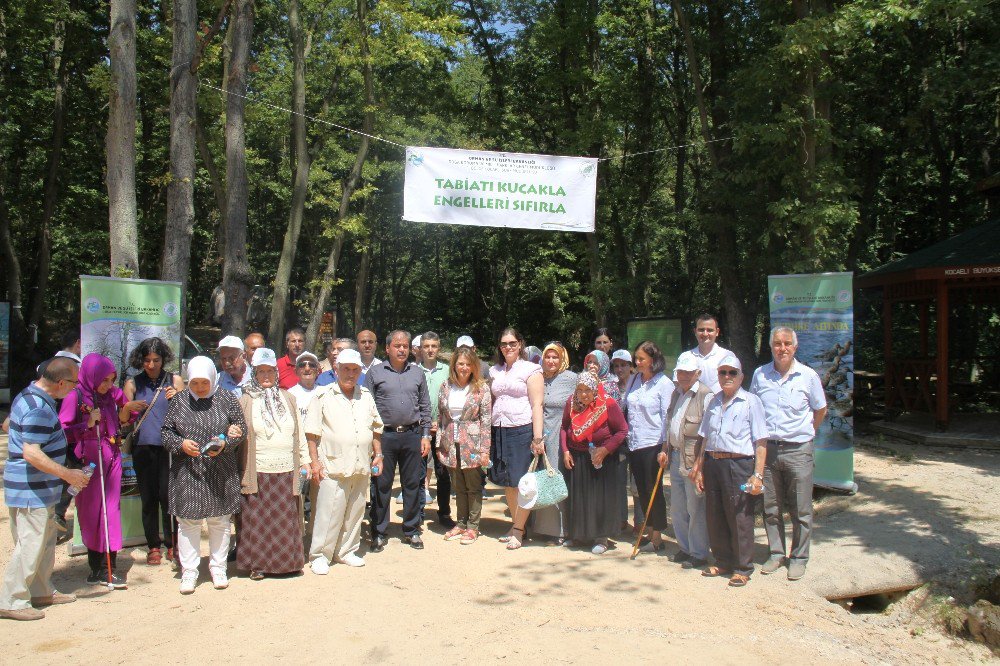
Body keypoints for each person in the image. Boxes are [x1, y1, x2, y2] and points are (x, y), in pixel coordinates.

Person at [1, 358, 90, 621]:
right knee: (30, 544)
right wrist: (68, 474)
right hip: (32, 490)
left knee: (43, 541)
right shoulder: (39, 407)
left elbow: (8, 426)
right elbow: (31, 453)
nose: (75, 389)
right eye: (74, 383)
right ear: (61, 383)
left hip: (36, 489)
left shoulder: (27, 396)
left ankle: (40, 590)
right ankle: (11, 599)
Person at [161, 356, 247, 594]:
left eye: (204, 382)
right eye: (195, 382)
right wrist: (181, 444)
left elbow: (241, 430)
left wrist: (226, 443)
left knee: (219, 521)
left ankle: (218, 567)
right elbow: (166, 433)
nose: (200, 387)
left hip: (219, 470)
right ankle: (190, 571)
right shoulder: (179, 401)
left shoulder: (227, 398)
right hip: (188, 471)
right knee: (188, 522)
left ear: (212, 378)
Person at [59, 354, 145, 588]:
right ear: (91, 376)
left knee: (111, 511)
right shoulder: (75, 397)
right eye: (104, 380)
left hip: (113, 458)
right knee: (92, 513)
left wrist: (127, 408)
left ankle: (110, 567)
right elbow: (61, 432)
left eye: (112, 379)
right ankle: (95, 567)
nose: (109, 385)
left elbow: (128, 413)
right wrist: (85, 425)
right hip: (89, 463)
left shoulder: (111, 394)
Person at [751, 327, 827, 581]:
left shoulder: (808, 376)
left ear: (795, 347)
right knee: (770, 507)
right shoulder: (760, 375)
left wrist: (805, 433)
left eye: (786, 344)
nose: (782, 348)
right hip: (768, 451)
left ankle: (799, 558)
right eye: (777, 344)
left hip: (798, 450)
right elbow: (754, 410)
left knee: (801, 509)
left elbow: (820, 410)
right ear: (771, 347)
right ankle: (776, 553)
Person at [691, 354, 767, 587]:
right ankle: (723, 560)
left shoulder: (751, 402)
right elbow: (705, 438)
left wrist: (758, 474)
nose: (726, 377)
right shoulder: (713, 401)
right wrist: (700, 468)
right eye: (723, 372)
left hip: (739, 465)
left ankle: (742, 567)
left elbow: (761, 441)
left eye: (732, 373)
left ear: (741, 376)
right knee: (715, 514)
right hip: (713, 463)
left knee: (740, 516)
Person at [307, 349, 383, 572]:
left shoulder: (366, 395)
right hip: (332, 464)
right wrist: (314, 462)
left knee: (355, 511)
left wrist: (378, 455)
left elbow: (376, 428)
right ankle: (320, 554)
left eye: (355, 370)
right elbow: (311, 433)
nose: (351, 374)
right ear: (336, 369)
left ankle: (346, 551)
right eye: (346, 369)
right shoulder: (322, 396)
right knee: (329, 511)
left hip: (360, 464)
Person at [237, 348, 310, 580]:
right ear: (254, 373)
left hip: (287, 469)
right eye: (261, 371)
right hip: (258, 470)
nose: (266, 375)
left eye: (270, 371)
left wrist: (305, 461)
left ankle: (289, 563)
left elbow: (298, 433)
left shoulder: (289, 398)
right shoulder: (246, 400)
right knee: (258, 519)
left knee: (286, 519)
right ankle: (258, 565)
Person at [365, 331, 431, 551]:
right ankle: (379, 531)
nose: (402, 349)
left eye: (405, 346)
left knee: (412, 483)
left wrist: (425, 436)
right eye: (397, 346)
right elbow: (368, 407)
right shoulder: (375, 373)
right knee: (381, 485)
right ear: (387, 348)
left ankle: (411, 530)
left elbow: (425, 407)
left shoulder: (417, 373)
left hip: (412, 435)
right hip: (385, 437)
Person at [122, 338, 184, 565]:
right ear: (141, 360)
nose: (151, 365)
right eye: (147, 360)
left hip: (169, 446)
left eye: (156, 360)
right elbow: (123, 420)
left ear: (163, 359)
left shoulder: (174, 380)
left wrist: (177, 397)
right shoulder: (132, 384)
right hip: (143, 446)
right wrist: (128, 407)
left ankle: (172, 543)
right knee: (148, 499)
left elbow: (186, 414)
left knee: (169, 497)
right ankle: (153, 545)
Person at [489, 328, 544, 550]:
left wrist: (538, 437)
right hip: (499, 429)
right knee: (508, 483)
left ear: (520, 344)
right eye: (504, 344)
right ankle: (516, 524)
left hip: (522, 429)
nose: (508, 347)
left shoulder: (531, 369)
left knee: (522, 482)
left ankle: (520, 531)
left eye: (512, 343)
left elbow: (537, 404)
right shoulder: (495, 370)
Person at [561, 372, 628, 554]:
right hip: (578, 456)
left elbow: (622, 430)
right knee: (580, 497)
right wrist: (566, 450)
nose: (583, 394)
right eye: (580, 389)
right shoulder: (572, 403)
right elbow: (564, 427)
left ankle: (601, 537)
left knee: (599, 499)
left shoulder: (607, 403)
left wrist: (605, 450)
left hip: (602, 457)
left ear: (595, 388)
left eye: (587, 390)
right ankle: (579, 536)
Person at [657, 352, 713, 569]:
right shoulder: (676, 393)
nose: (683, 376)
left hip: (692, 459)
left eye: (688, 372)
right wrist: (665, 449)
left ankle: (699, 553)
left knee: (695, 506)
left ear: (697, 373)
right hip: (676, 456)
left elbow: (707, 434)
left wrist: (700, 464)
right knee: (679, 506)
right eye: (680, 371)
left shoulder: (706, 395)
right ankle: (685, 547)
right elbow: (670, 423)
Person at [435, 347, 491, 544]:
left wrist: (484, 449)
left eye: (468, 364)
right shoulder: (446, 386)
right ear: (454, 365)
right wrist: (439, 443)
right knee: (458, 485)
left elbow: (486, 420)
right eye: (461, 363)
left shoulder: (481, 388)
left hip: (473, 444)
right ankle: (460, 523)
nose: (464, 368)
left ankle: (473, 526)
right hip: (450, 443)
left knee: (473, 486)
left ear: (474, 366)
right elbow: (441, 417)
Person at [623, 341, 674, 553]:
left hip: (653, 443)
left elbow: (667, 418)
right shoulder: (634, 379)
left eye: (642, 359)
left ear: (653, 360)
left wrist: (665, 447)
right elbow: (626, 406)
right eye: (636, 358)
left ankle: (657, 536)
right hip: (634, 442)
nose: (637, 362)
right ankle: (649, 529)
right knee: (641, 490)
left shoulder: (664, 384)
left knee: (654, 489)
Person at [531, 342, 576, 543]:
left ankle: (562, 530)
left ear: (562, 358)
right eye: (547, 357)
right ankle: (544, 528)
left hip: (561, 435)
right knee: (542, 478)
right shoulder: (538, 377)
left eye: (555, 357)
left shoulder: (571, 379)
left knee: (558, 479)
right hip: (541, 435)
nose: (550, 361)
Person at [419, 332, 453, 527]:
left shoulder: (447, 370)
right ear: (420, 348)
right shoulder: (413, 370)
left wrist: (440, 421)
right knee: (417, 472)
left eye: (434, 346)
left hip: (442, 428)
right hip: (419, 429)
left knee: (442, 473)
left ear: (438, 348)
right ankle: (418, 511)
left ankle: (444, 513)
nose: (430, 350)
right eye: (426, 346)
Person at [611, 348, 639, 532]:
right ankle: (621, 518)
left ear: (631, 366)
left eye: (624, 365)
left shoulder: (639, 384)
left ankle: (641, 521)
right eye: (617, 365)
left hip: (637, 440)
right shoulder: (611, 386)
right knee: (619, 481)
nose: (620, 369)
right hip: (618, 442)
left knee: (637, 482)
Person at [689, 314, 730, 394]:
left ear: (717, 332)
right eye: (701, 330)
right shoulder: (685, 357)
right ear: (695, 331)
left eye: (710, 330)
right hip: (692, 405)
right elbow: (678, 386)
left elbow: (734, 384)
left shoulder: (727, 356)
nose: (705, 334)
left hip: (718, 405)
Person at [287, 351, 325, 419]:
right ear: (296, 371)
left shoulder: (325, 392)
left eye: (312, 365)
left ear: (317, 370)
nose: (307, 369)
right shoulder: (290, 395)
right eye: (302, 365)